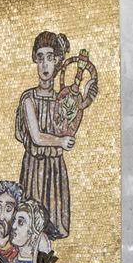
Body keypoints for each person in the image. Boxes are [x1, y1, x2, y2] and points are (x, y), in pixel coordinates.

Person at [15, 31, 97, 240]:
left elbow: (71, 123)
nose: (45, 65)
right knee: (31, 229)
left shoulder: (63, 99)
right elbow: (36, 137)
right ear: (35, 60)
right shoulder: (29, 98)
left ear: (58, 61)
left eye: (50, 58)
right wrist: (60, 141)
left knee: (54, 228)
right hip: (34, 169)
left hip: (55, 170)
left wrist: (86, 97)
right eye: (40, 57)